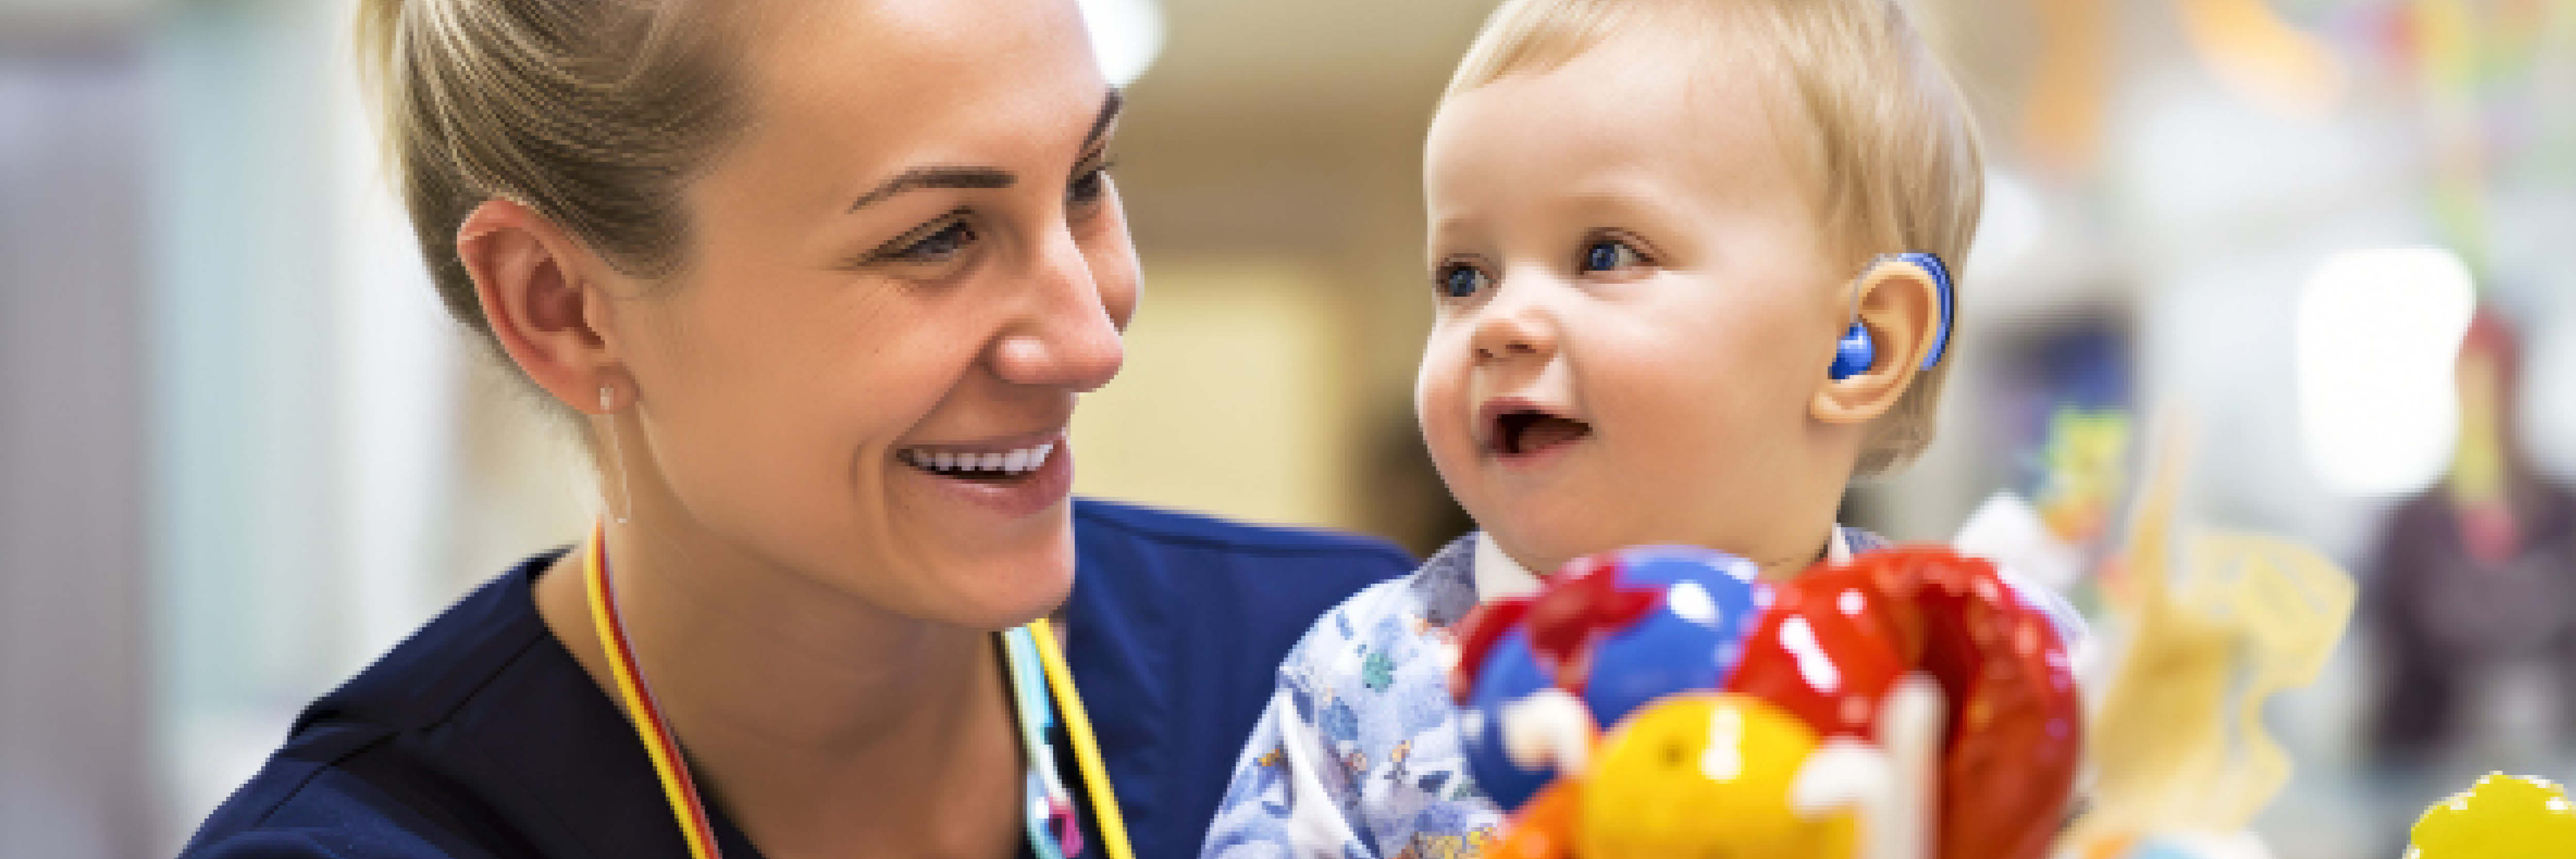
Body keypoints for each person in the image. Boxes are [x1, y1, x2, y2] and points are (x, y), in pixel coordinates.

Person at [176, 1, 1410, 857]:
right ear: (562, 307)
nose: (1092, 341)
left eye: (1085, 180)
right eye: (937, 236)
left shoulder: (1355, 683)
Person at [1199, 0, 2001, 855]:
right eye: (1465, 275)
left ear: (1860, 345)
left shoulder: (1971, 671)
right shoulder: (1362, 678)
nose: (1500, 322)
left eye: (1606, 255)